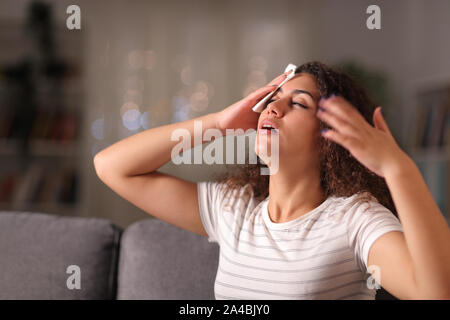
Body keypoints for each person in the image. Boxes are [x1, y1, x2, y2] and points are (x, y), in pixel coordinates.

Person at [94, 61, 450, 300]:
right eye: (272, 99)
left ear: (332, 135)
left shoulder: (354, 220)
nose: (273, 109)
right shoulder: (233, 208)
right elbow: (111, 166)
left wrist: (397, 168)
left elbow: (435, 292)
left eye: (298, 104)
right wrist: (219, 122)